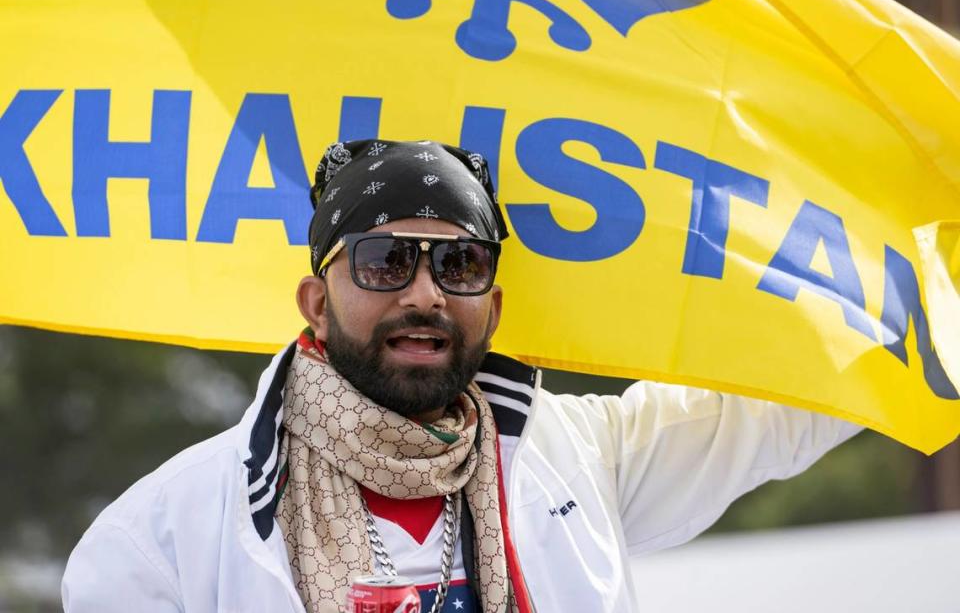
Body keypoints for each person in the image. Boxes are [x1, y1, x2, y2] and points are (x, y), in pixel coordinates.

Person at [62, 140, 860, 613]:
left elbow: (791, 403)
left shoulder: (575, 456)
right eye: (383, 260)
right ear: (316, 301)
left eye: (460, 262)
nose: (424, 293)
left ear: (495, 303)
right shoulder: (167, 531)